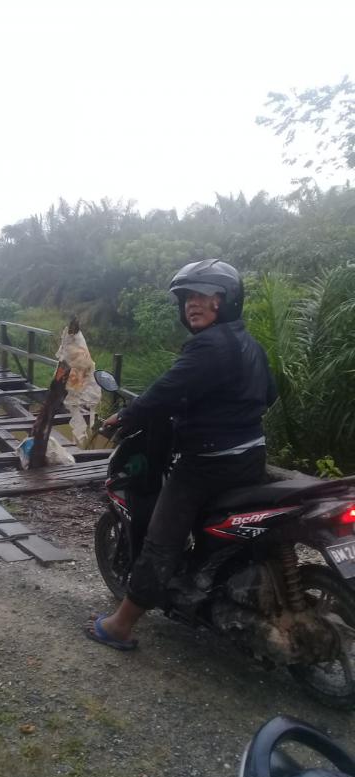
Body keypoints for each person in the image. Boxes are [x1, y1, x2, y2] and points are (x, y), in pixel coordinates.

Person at [86, 258, 277, 651]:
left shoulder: (209, 346)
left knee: (161, 541)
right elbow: (269, 395)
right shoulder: (250, 344)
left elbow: (166, 390)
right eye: (188, 297)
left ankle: (120, 626)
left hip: (207, 464)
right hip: (250, 458)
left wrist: (123, 416)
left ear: (226, 300)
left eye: (205, 296)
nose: (193, 303)